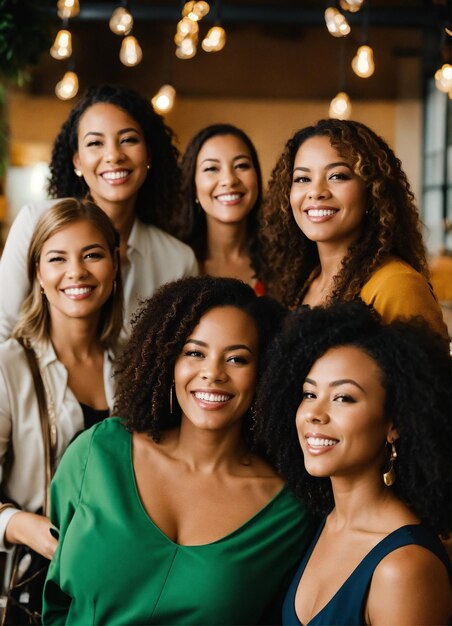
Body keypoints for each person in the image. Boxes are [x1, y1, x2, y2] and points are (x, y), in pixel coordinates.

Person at [42, 276, 312, 626]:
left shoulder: (288, 512)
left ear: (264, 374)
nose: (212, 374)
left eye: (237, 359)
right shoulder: (99, 452)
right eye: (195, 353)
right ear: (169, 358)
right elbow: (56, 600)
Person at [255, 301, 451, 626]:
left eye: (343, 397)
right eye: (309, 394)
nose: (315, 413)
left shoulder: (404, 568)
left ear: (395, 423)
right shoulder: (322, 522)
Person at [0, 199, 123, 615]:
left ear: (115, 263)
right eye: (57, 258)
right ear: (37, 273)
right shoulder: (7, 367)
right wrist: (25, 528)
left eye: (92, 255)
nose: (76, 272)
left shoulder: (138, 365)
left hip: (120, 584)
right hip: (35, 587)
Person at [0, 84, 197, 343]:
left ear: (148, 153)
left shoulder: (178, 260)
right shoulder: (35, 223)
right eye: (95, 143)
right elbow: (2, 328)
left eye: (128, 140)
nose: (113, 155)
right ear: (78, 162)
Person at [259, 118, 448, 341]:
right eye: (302, 178)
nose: (316, 191)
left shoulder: (398, 286)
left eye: (337, 176)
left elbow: (427, 375)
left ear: (371, 191)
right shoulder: (306, 280)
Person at [174, 124, 265, 294]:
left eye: (241, 166)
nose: (229, 180)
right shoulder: (173, 262)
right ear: (193, 185)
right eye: (211, 168)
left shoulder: (282, 264)